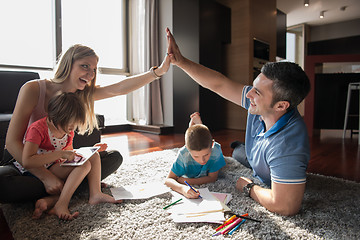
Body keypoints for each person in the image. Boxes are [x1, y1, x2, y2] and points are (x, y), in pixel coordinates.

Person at [0, 44, 170, 207]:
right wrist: (45, 177)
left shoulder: (82, 94)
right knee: (3, 183)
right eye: (85, 66)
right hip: (28, 163)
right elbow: (12, 143)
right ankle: (74, 187)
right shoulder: (33, 89)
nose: (90, 74)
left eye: (94, 69)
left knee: (113, 157)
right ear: (68, 64)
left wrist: (159, 71)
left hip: (60, 162)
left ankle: (63, 190)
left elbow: (119, 89)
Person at [166, 28, 311, 216]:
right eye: (253, 86)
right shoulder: (261, 104)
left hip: (270, 159)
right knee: (237, 152)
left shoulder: (287, 145)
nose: (248, 93)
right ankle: (239, 147)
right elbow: (219, 83)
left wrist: (248, 187)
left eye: (257, 92)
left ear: (281, 105)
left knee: (242, 156)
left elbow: (286, 206)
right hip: (255, 154)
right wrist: (181, 62)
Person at [20, 92, 119, 220]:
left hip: (55, 164)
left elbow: (69, 153)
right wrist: (61, 154)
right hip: (38, 170)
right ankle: (60, 204)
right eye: (70, 124)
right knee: (84, 166)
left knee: (93, 157)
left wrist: (91, 150)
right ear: (58, 116)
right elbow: (27, 161)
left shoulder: (68, 131)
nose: (72, 128)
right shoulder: (37, 129)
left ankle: (95, 194)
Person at [165, 112, 226, 199]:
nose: (202, 160)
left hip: (209, 146)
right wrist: (182, 189)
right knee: (195, 139)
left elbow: (212, 178)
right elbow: (168, 180)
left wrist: (188, 181)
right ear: (187, 149)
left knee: (202, 139)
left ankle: (199, 126)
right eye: (196, 156)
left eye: (206, 154)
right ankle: (196, 126)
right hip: (194, 147)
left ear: (212, 145)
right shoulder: (183, 154)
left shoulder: (215, 150)